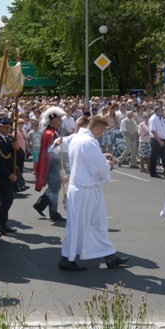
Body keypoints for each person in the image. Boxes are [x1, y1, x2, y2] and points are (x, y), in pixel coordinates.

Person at [59, 116, 130, 271]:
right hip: (85, 190)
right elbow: (98, 167)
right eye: (103, 131)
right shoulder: (89, 142)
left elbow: (87, 161)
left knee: (96, 225)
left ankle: (110, 256)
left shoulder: (78, 139)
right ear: (97, 128)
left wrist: (102, 160)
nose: (103, 134)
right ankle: (66, 258)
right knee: (82, 226)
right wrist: (108, 165)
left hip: (83, 188)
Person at [34, 107, 66, 221]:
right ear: (52, 121)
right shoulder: (50, 133)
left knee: (54, 188)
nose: (61, 121)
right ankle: (51, 212)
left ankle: (42, 206)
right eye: (59, 120)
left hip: (53, 163)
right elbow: (51, 150)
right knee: (54, 188)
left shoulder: (51, 132)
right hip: (52, 164)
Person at [0, 118, 18, 234]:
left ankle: (2, 222)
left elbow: (18, 156)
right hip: (1, 174)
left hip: (10, 172)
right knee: (8, 198)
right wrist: (8, 174)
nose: (7, 129)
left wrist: (17, 148)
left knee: (3, 198)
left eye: (9, 127)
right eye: (5, 127)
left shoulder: (10, 139)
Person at [149, 106, 165, 178]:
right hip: (156, 140)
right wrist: (159, 140)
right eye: (161, 110)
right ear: (157, 111)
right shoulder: (153, 119)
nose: (162, 112)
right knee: (154, 157)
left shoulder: (161, 118)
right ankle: (152, 172)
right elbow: (153, 130)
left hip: (163, 140)